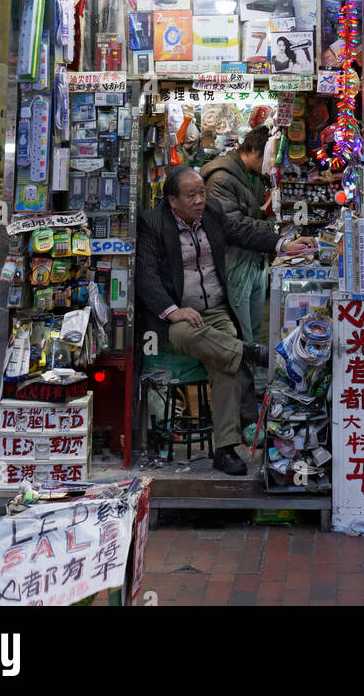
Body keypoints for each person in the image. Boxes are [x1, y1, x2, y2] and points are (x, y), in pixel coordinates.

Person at [135, 166, 313, 476]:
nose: (200, 200)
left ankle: (226, 448)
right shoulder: (152, 223)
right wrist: (172, 310)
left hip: (215, 310)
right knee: (198, 338)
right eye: (191, 195)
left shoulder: (212, 212)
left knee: (223, 363)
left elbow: (243, 231)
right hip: (176, 316)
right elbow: (146, 275)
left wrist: (283, 244)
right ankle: (247, 353)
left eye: (202, 192)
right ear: (172, 200)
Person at [201, 125, 271, 430]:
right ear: (254, 150)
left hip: (253, 263)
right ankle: (246, 417)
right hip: (234, 265)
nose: (270, 164)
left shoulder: (252, 177)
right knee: (242, 337)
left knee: (254, 332)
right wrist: (270, 230)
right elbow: (232, 224)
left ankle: (255, 400)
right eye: (268, 156)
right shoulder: (220, 179)